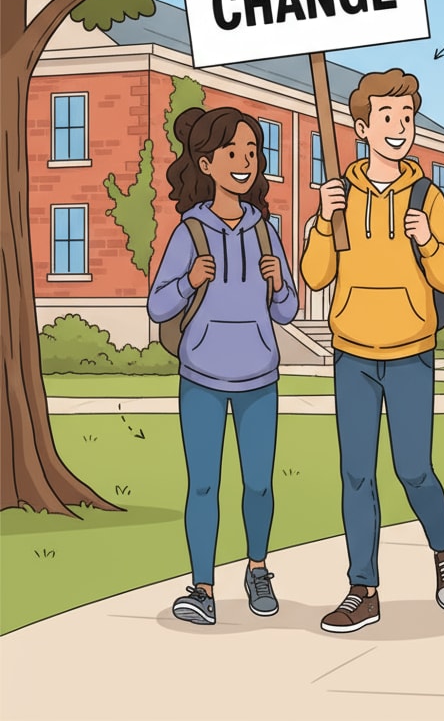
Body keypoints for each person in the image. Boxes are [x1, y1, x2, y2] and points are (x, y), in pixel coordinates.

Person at [302, 69, 444, 634]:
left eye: (406, 117)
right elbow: (315, 275)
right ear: (362, 126)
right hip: (352, 351)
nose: (399, 128)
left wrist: (427, 239)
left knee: (414, 468)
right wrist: (324, 220)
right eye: (388, 118)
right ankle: (362, 587)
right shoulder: (337, 196)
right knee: (356, 475)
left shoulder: (427, 195)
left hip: (411, 349)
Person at [148, 106, 298, 626]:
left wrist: (279, 281)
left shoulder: (263, 231)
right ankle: (203, 587)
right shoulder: (190, 233)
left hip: (259, 374)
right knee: (204, 485)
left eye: (252, 153)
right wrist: (190, 279)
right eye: (233, 153)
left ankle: (258, 569)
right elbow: (157, 306)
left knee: (258, 483)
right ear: (207, 163)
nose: (244, 162)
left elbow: (286, 312)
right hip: (202, 377)